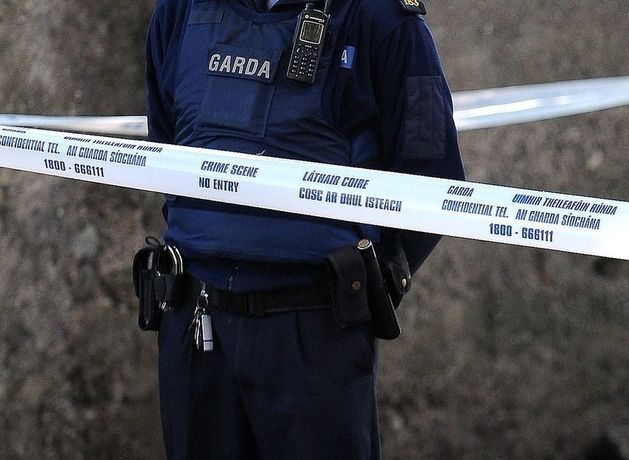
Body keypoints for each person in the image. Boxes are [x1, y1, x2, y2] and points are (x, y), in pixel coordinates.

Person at [145, 0, 464, 458]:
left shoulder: (384, 22)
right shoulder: (181, 9)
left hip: (313, 333)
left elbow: (434, 180)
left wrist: (362, 273)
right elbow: (167, 146)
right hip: (194, 326)